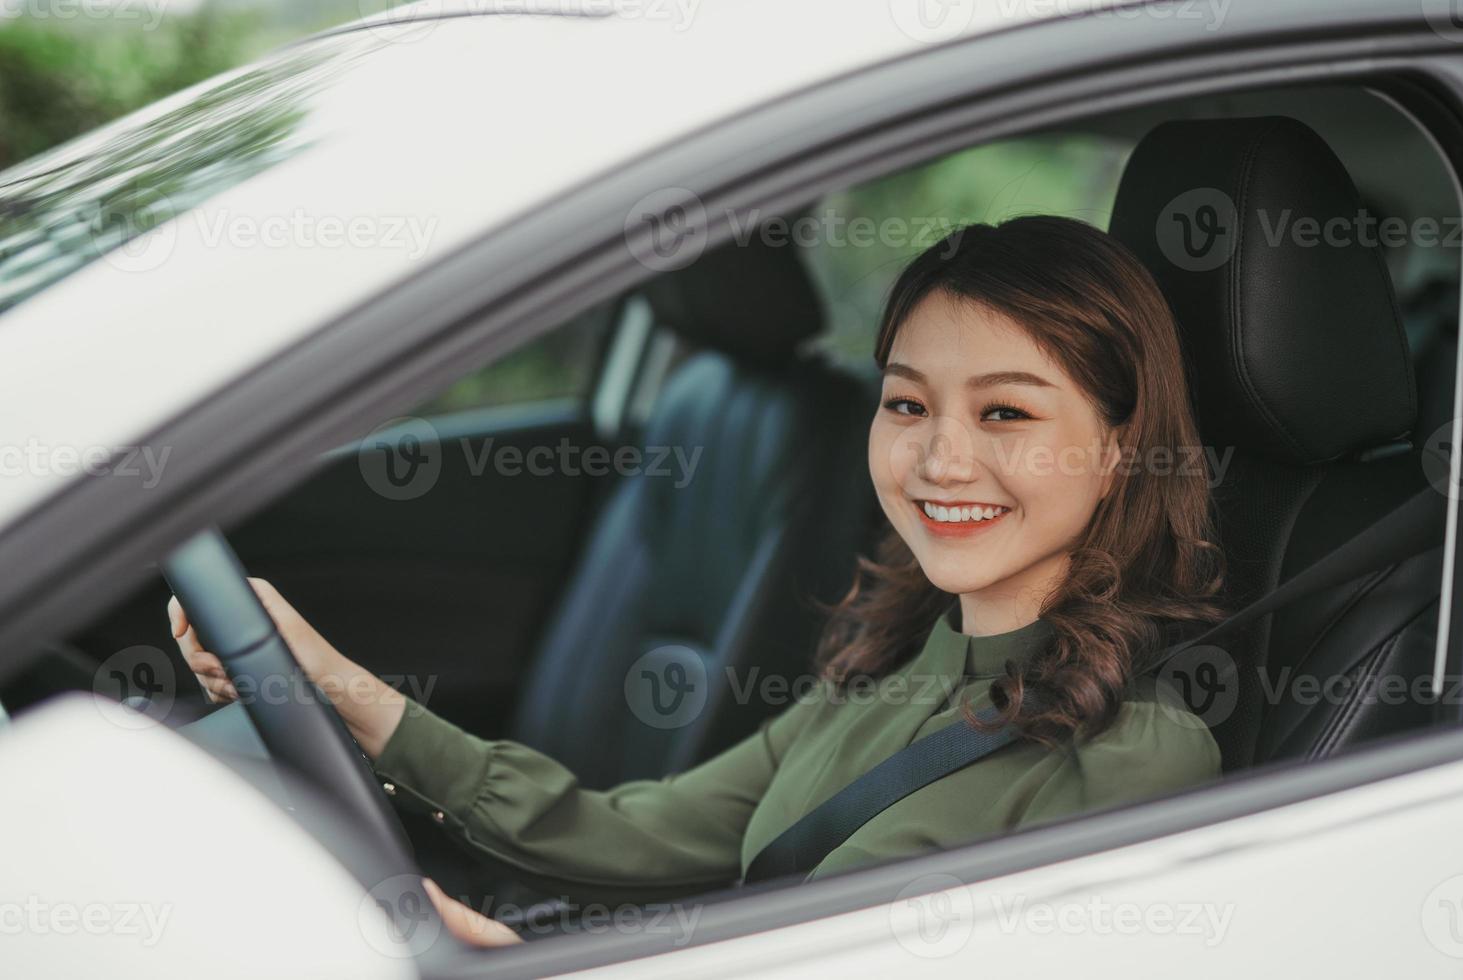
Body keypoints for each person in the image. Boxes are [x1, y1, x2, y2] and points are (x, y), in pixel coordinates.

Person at [172, 215, 1232, 948]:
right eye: (907, 404)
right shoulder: (893, 658)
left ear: (1121, 449)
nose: (940, 459)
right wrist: (339, 688)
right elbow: (635, 831)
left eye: (1006, 412)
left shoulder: (1135, 755)